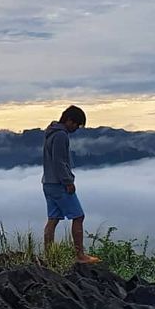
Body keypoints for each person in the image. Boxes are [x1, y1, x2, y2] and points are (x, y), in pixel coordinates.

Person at [42, 105, 99, 264]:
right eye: (76, 124)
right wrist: (68, 182)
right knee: (78, 216)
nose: (76, 128)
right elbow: (59, 162)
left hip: (48, 182)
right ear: (68, 120)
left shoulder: (50, 132)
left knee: (53, 219)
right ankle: (80, 255)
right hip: (59, 184)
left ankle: (50, 257)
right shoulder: (61, 135)